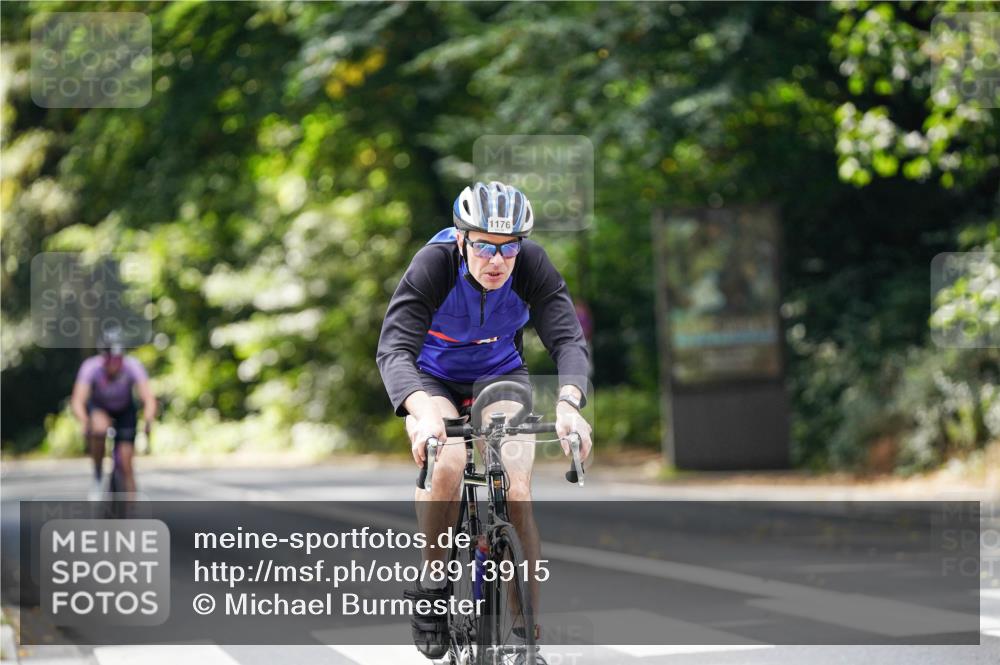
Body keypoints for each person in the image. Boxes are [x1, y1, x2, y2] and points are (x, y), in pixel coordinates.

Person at [377, 181, 593, 663]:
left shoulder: (531, 264)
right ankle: (433, 578)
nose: (496, 260)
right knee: (449, 464)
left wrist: (569, 404)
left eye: (508, 247)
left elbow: (567, 340)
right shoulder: (434, 264)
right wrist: (421, 409)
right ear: (461, 239)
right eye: (483, 246)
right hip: (431, 378)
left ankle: (524, 637)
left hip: (499, 374)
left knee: (517, 492)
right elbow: (393, 349)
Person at [70, 327, 157, 500]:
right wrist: (85, 421)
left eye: (117, 359)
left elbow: (148, 398)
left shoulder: (133, 366)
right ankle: (97, 473)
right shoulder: (91, 367)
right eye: (109, 359)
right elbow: (78, 400)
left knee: (126, 463)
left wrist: (148, 420)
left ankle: (132, 509)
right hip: (100, 408)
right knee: (99, 428)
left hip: (125, 410)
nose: (113, 364)